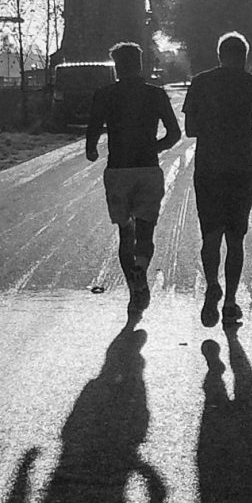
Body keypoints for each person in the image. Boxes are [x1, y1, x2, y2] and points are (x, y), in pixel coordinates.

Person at [182, 31, 252, 327]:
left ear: (219, 55)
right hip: (241, 168)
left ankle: (212, 285)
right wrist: (241, 133)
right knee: (236, 239)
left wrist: (214, 131)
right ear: (244, 56)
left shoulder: (200, 82)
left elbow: (190, 130)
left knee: (210, 235)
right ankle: (231, 301)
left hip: (208, 168)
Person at [84, 41, 181, 311]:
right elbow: (174, 134)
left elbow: (92, 131)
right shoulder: (156, 94)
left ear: (117, 66)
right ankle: (141, 267)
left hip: (118, 172)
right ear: (140, 64)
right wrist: (154, 147)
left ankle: (134, 291)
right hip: (148, 169)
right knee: (146, 231)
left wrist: (91, 150)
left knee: (125, 233)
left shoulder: (104, 95)